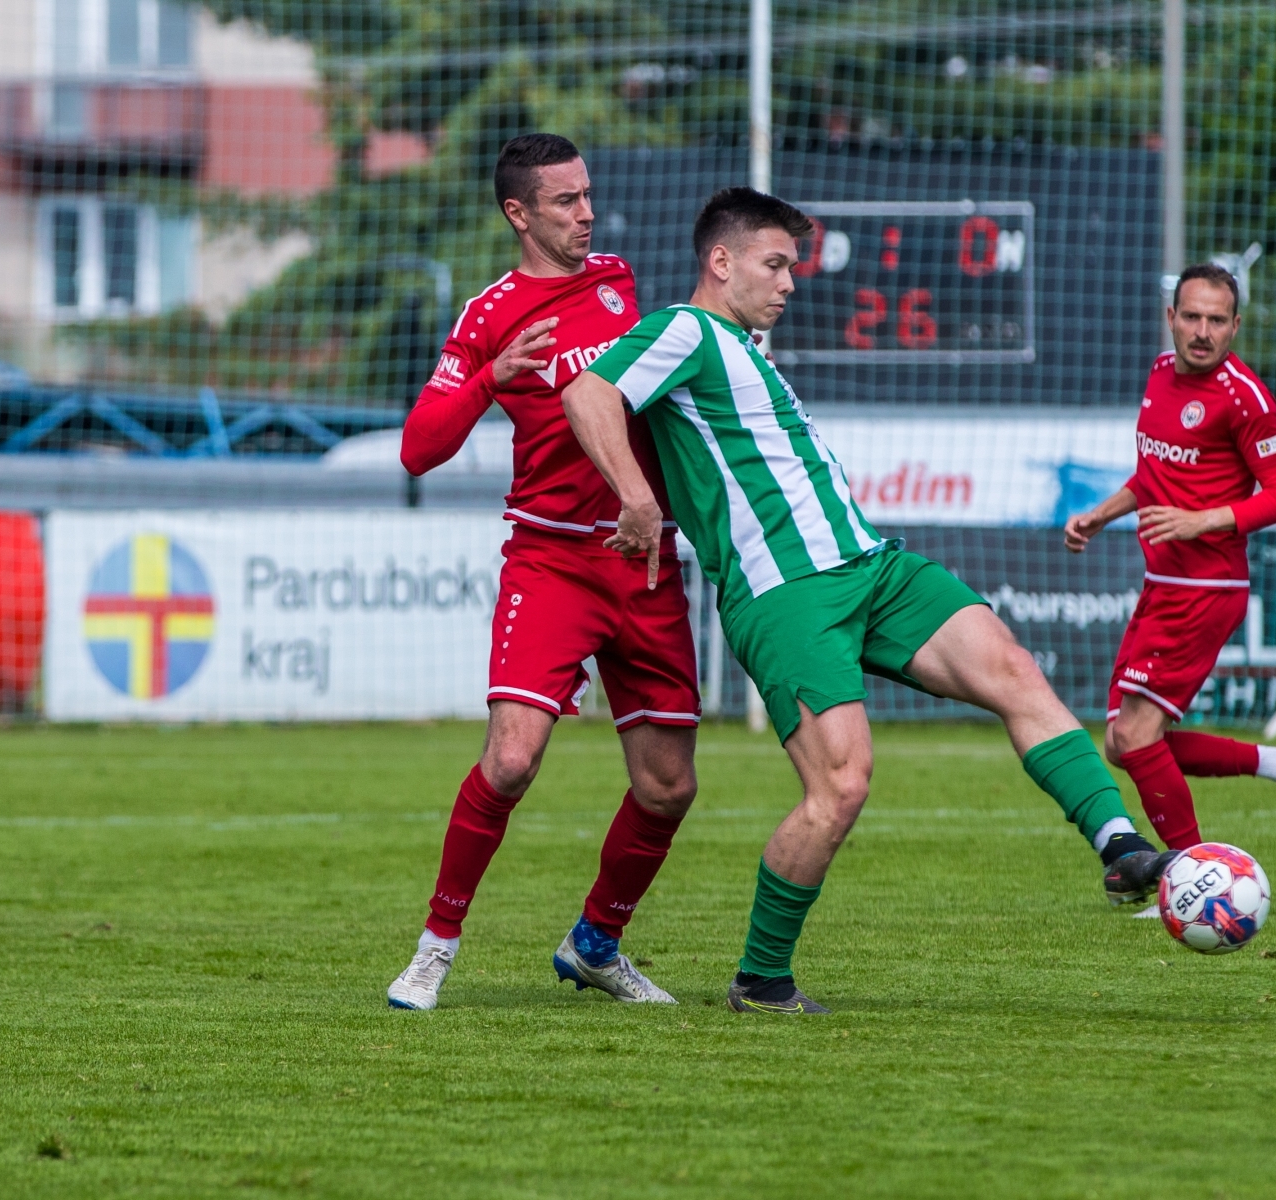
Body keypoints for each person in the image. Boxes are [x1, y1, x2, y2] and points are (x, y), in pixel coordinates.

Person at [561, 187, 1173, 1015]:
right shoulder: (685, 329)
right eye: (775, 264)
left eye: (792, 267)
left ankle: (1120, 845)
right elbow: (588, 394)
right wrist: (636, 498)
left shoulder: (744, 350)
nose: (790, 283)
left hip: (871, 565)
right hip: (788, 593)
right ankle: (761, 981)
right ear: (721, 261)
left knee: (1013, 669)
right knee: (842, 785)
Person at [385, 133, 701, 1011]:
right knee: (512, 760)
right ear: (518, 213)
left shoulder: (619, 283)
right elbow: (417, 449)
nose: (587, 213)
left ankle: (595, 945)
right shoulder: (489, 314)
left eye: (588, 194)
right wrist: (491, 376)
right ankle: (434, 949)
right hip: (553, 559)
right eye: (566, 201)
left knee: (668, 785)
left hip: (643, 558)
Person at [1063, 263, 1276, 869]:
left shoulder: (1244, 398)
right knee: (1123, 743)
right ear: (1171, 318)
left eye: (1216, 320)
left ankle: (1190, 878)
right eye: (1191, 317)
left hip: (1205, 586)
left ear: (1235, 326)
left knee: (1135, 736)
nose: (1202, 331)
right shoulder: (1161, 374)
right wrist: (1102, 514)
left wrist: (1200, 521)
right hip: (1162, 582)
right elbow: (1154, 476)